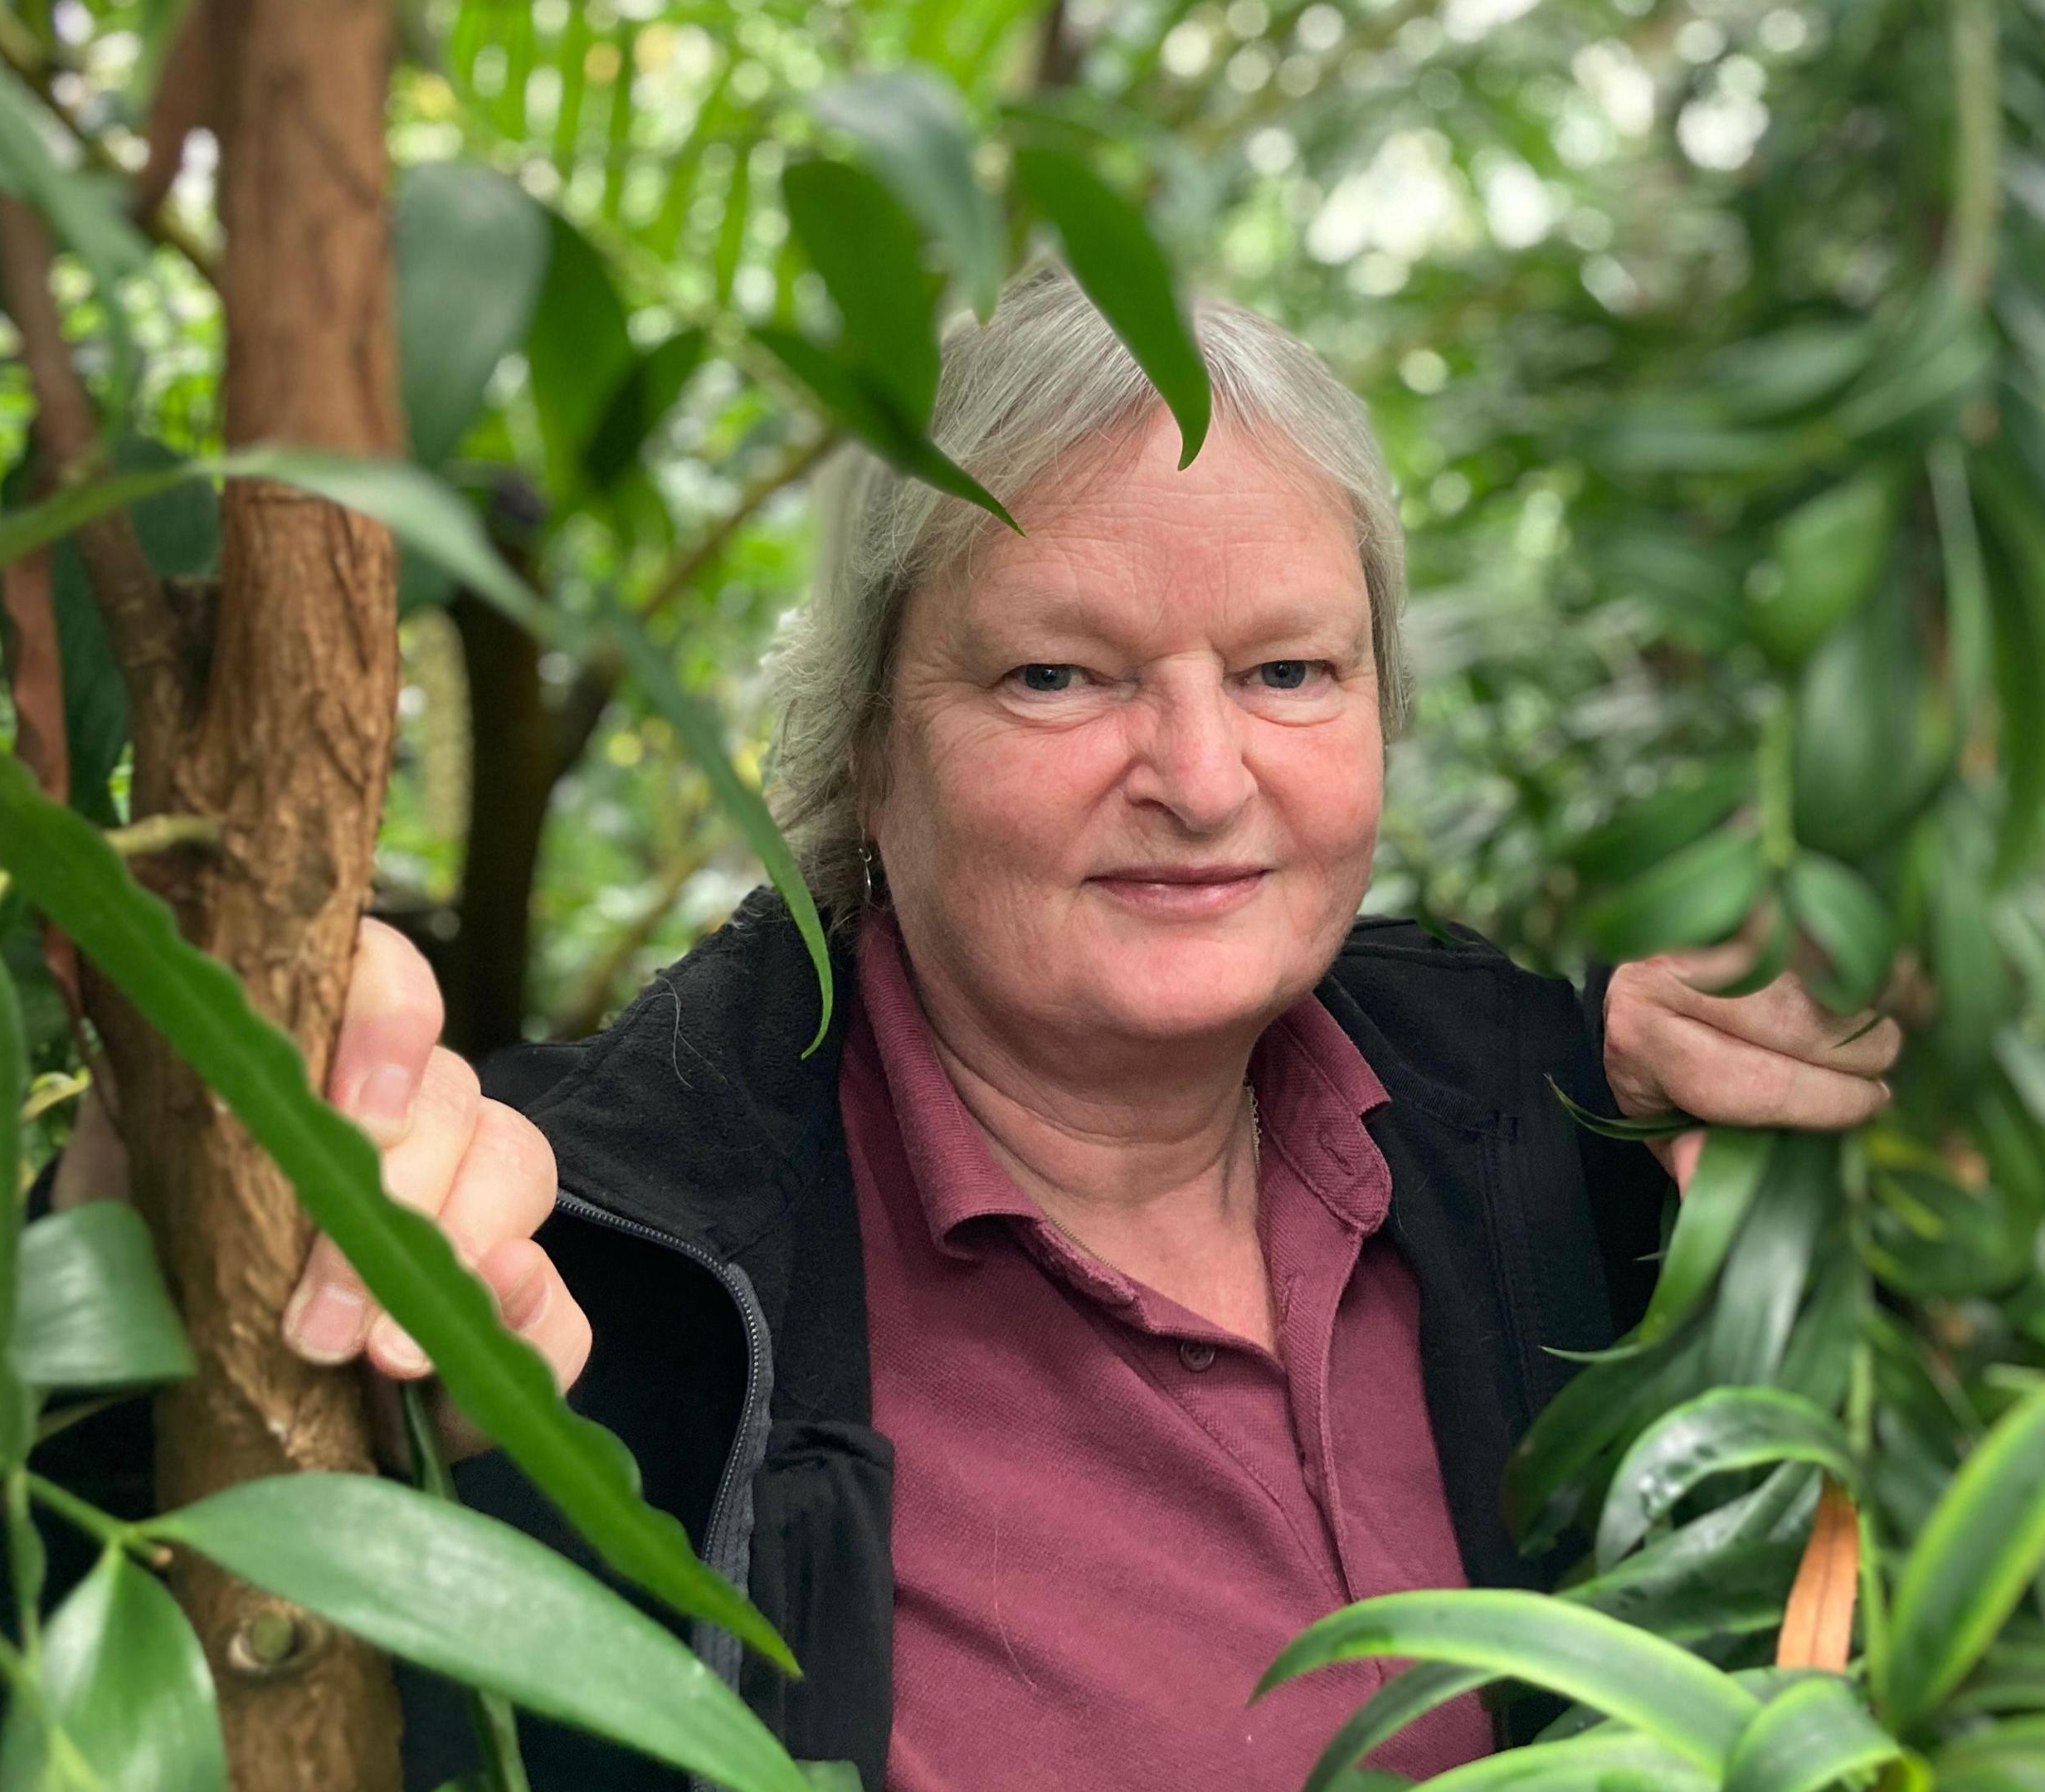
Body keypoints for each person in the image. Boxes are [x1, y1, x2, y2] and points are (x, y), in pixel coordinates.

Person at [281, 267, 1903, 1791]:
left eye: (1287, 671)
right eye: (1058, 677)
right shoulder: (591, 1252)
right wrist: (202, 1220)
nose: (1202, 781)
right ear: (866, 746)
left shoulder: (1539, 1128)